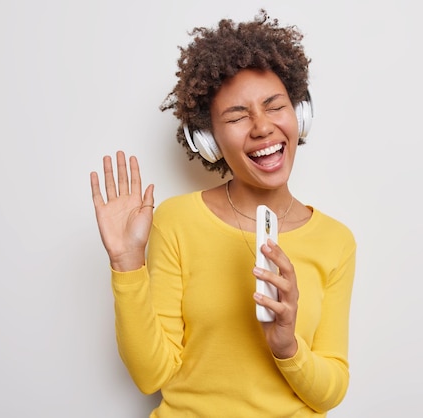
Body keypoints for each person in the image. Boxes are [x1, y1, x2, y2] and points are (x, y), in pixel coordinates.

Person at [90, 10, 356, 417]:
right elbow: (151, 376)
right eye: (236, 116)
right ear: (208, 141)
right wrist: (127, 263)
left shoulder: (336, 241)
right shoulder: (177, 221)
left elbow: (331, 391)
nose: (262, 127)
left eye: (274, 106)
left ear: (300, 115)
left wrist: (287, 347)